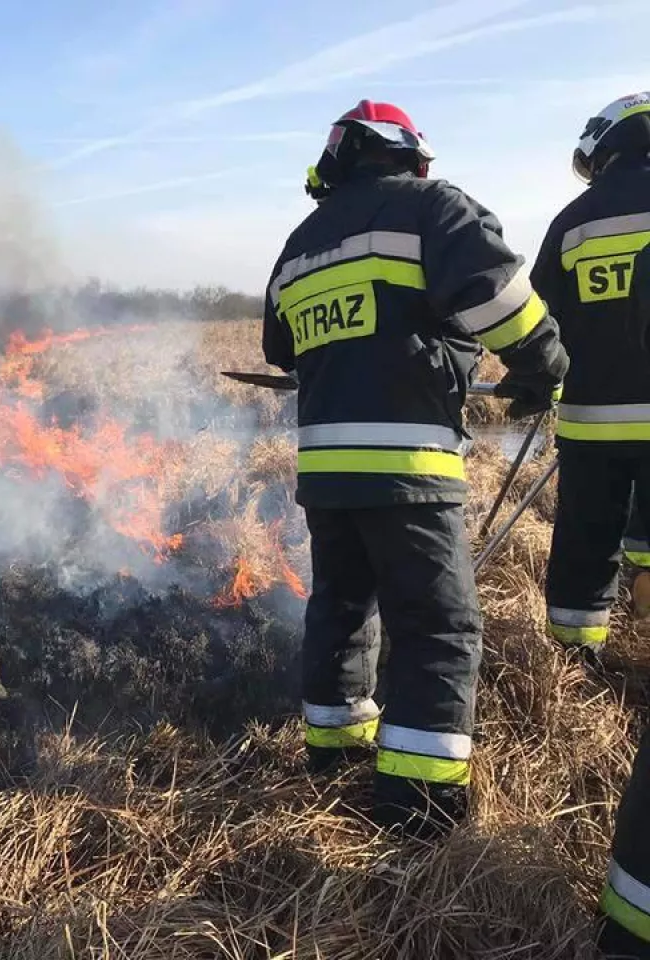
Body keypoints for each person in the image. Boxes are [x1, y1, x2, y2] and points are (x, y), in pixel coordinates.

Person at [263, 100, 570, 837]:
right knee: (438, 627)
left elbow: (280, 347)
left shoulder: (300, 244)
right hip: (408, 467)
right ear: (412, 155)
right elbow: (502, 301)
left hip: (327, 475)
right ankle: (418, 811)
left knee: (341, 606)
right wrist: (545, 365)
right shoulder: (433, 209)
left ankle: (334, 754)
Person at [552, 93, 650, 958]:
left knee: (583, 544)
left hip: (589, 421)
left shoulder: (576, 219)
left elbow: (539, 320)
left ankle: (573, 661)